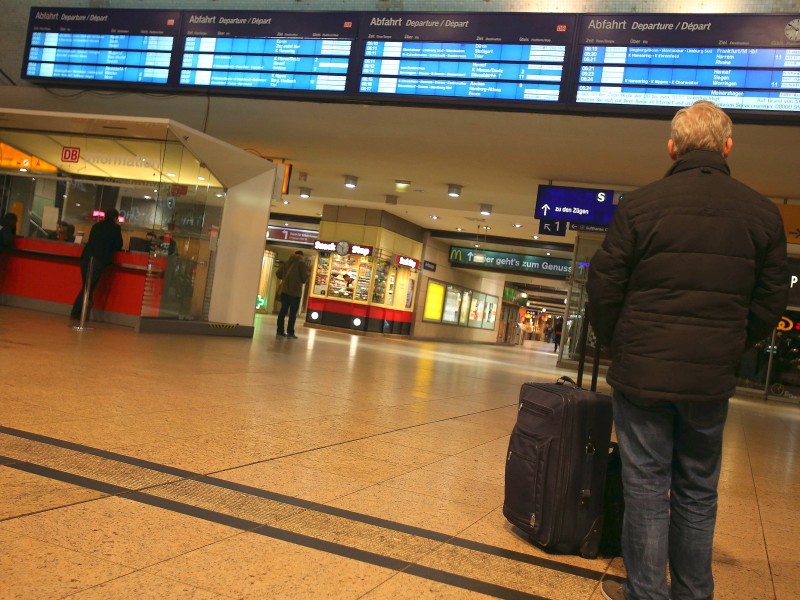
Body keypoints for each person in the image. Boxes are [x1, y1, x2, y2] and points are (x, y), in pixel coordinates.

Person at [587, 101, 789, 600]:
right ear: (727, 147)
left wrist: (621, 344)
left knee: (647, 487)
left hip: (642, 377)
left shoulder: (639, 206)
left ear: (672, 146)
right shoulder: (763, 214)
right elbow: (770, 302)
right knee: (698, 491)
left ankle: (647, 593)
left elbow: (604, 286)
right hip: (707, 381)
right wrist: (729, 346)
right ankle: (694, 593)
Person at [70, 209, 123, 321]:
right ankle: (76, 314)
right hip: (98, 260)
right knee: (88, 288)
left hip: (86, 257)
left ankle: (81, 314)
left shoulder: (96, 225)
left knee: (86, 286)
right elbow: (119, 245)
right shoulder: (115, 228)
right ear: (115, 218)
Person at [275, 250, 309, 339]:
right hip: (295, 292)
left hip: (285, 291)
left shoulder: (286, 263)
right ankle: (290, 332)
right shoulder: (301, 264)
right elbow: (304, 278)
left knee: (283, 311)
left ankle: (280, 331)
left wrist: (286, 279)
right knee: (293, 313)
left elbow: (278, 274)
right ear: (301, 256)